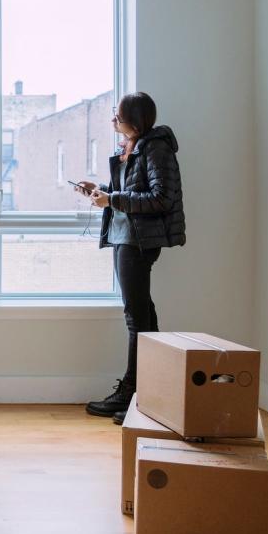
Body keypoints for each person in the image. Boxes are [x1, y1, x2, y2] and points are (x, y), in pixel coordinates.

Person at [72, 92, 185, 423]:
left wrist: (113, 199)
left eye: (117, 116)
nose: (113, 120)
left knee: (136, 317)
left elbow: (160, 198)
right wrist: (98, 190)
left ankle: (133, 393)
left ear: (135, 120)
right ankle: (148, 394)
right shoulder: (132, 149)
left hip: (139, 240)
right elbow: (128, 191)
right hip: (126, 237)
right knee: (143, 315)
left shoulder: (156, 147)